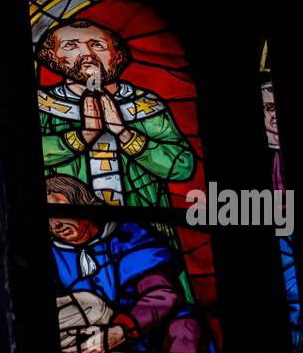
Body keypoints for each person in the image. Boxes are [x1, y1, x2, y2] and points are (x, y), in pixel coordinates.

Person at [35, 19, 195, 210]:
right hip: (72, 230)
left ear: (117, 56)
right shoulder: (42, 106)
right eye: (70, 45)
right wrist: (82, 137)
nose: (87, 54)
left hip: (144, 230)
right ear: (52, 57)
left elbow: (182, 167)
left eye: (97, 45)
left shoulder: (145, 105)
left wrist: (124, 134)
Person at [47, 176, 202, 353]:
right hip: (88, 339)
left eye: (60, 210)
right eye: (48, 217)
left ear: (81, 200)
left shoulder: (129, 235)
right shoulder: (51, 253)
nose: (55, 224)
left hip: (150, 333)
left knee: (185, 327)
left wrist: (122, 329)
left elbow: (162, 294)